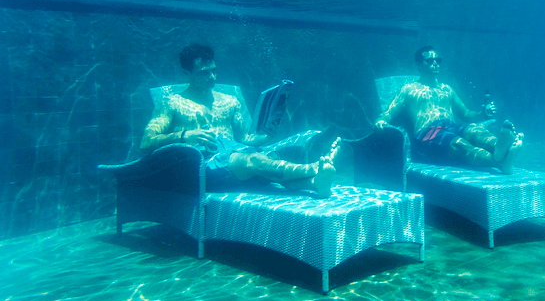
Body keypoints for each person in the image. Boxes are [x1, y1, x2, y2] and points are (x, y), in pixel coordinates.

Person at [141, 43, 338, 198]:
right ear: (186, 74)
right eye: (204, 72)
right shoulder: (173, 103)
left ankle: (315, 184)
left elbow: (245, 138)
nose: (212, 77)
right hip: (201, 167)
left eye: (214, 70)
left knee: (266, 160)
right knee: (255, 161)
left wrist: (265, 136)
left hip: (234, 158)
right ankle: (313, 168)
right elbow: (146, 142)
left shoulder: (229, 102)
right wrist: (185, 135)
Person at [375, 46, 523, 173]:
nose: (435, 64)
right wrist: (381, 120)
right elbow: (389, 111)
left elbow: (465, 114)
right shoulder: (409, 89)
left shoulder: (447, 89)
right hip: (428, 133)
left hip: (451, 127)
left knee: (474, 130)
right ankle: (499, 161)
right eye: (430, 61)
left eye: (437, 60)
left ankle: (500, 148)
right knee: (460, 143)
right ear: (419, 65)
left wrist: (482, 114)